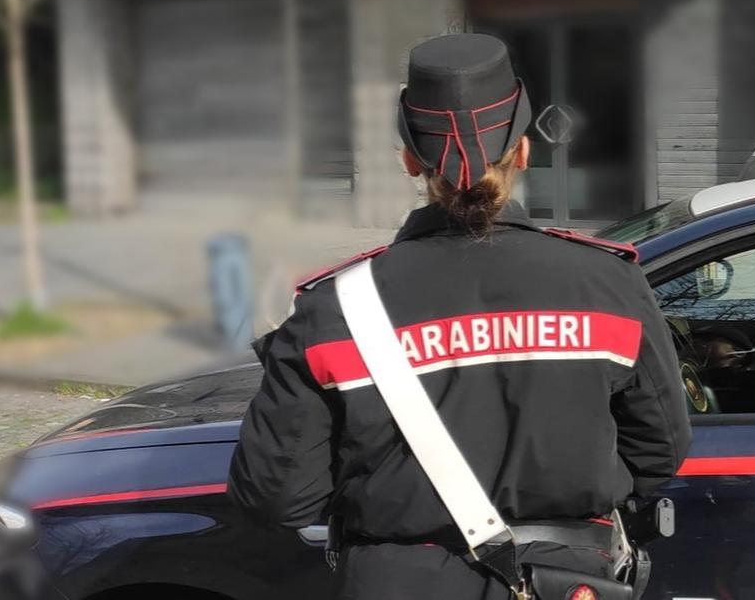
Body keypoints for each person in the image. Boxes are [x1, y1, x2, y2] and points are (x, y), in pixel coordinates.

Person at [228, 33, 692, 599]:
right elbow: (659, 451)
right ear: (523, 149)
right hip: (565, 581)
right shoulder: (608, 284)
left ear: (407, 159)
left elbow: (278, 497)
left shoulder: (334, 309)